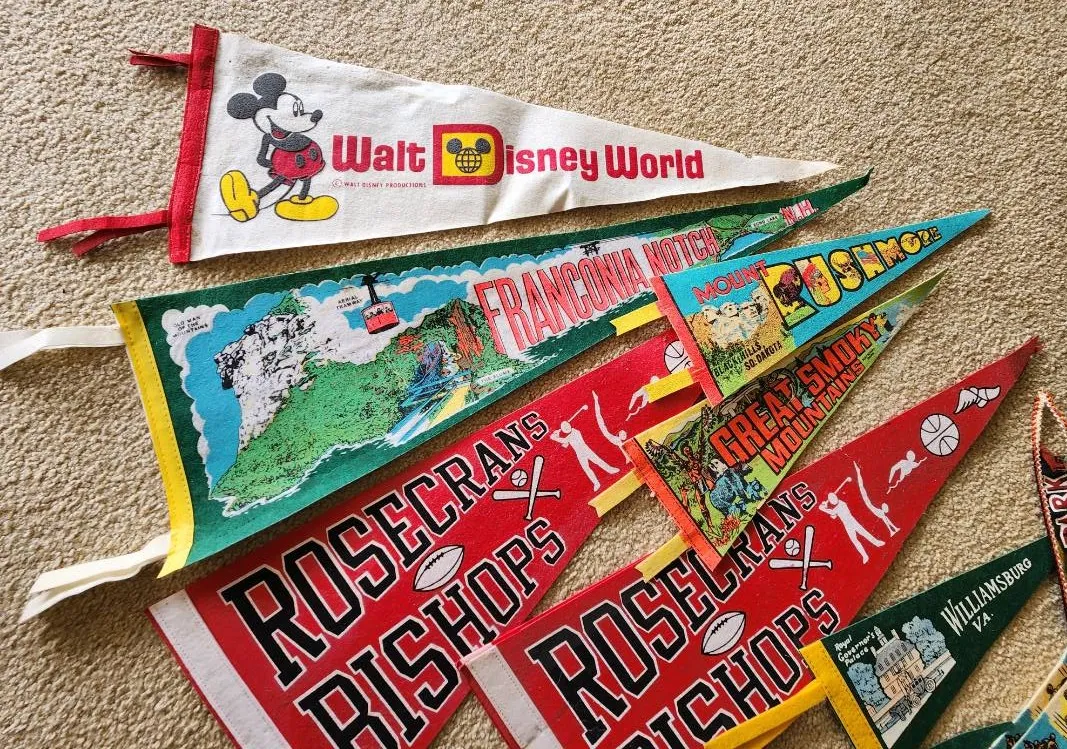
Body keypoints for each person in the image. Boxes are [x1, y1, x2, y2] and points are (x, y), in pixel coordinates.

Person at [819, 479, 884, 563]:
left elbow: (833, 512)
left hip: (852, 522)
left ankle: (877, 543)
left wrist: (823, 509)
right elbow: (834, 516)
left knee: (864, 533)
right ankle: (865, 555)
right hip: (847, 526)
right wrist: (825, 507)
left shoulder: (842, 504)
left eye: (833, 498)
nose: (833, 500)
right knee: (855, 541)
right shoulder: (836, 507)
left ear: (836, 497)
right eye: (831, 500)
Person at [550, 418, 618, 491]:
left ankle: (610, 470)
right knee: (586, 469)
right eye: (564, 427)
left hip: (586, 450)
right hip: (579, 455)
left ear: (569, 424)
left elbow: (565, 440)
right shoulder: (568, 436)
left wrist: (555, 438)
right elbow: (565, 445)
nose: (566, 427)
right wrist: (557, 436)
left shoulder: (575, 431)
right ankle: (596, 483)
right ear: (562, 430)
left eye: (566, 425)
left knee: (598, 461)